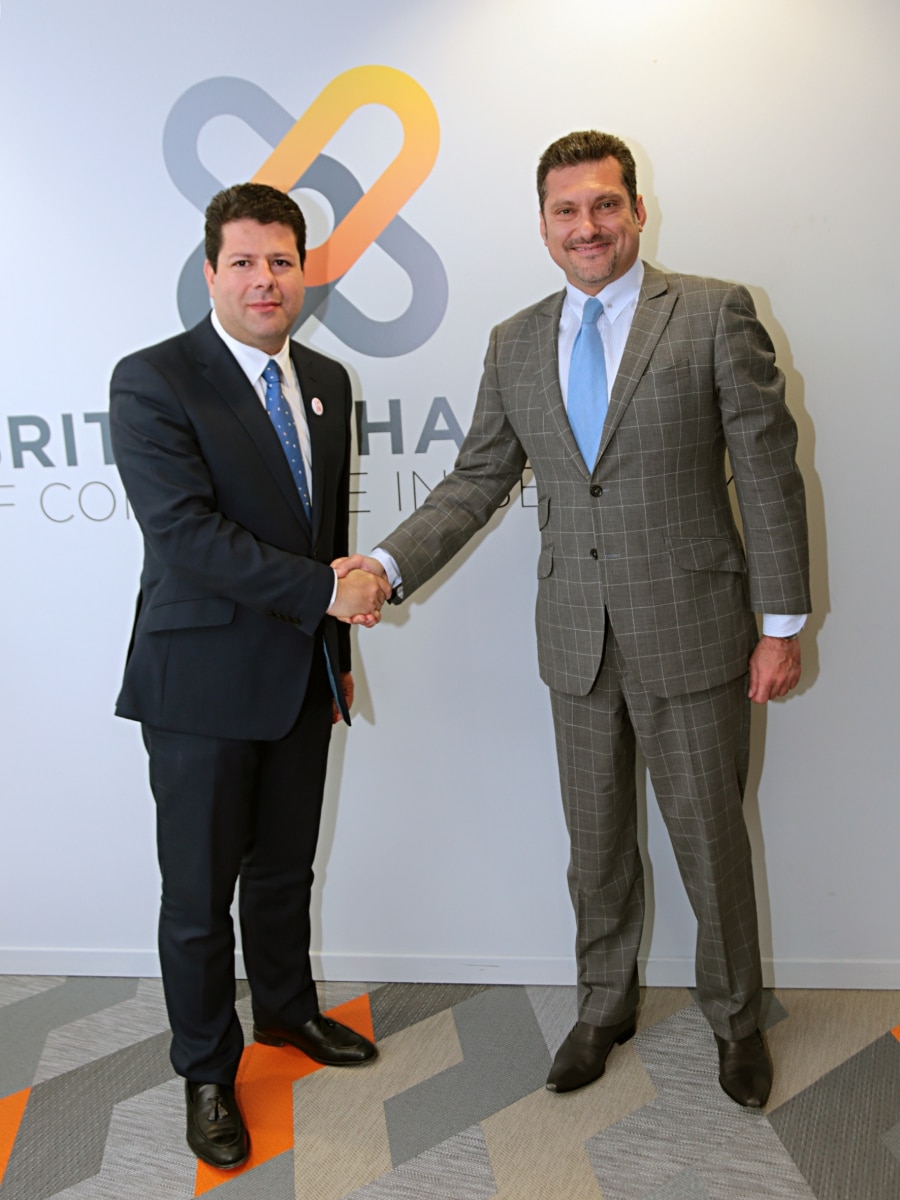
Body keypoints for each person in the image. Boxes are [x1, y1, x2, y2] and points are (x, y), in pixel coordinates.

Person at [342, 131, 809, 1109]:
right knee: (594, 846)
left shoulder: (714, 313)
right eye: (567, 210)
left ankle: (735, 1018)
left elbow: (768, 474)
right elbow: (476, 478)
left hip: (693, 633)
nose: (586, 226)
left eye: (604, 205)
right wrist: (385, 563)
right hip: (575, 639)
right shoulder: (515, 341)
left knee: (710, 842)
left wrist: (781, 625)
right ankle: (603, 1005)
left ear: (637, 210)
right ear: (545, 224)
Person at [110, 183, 389, 1169]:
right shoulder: (153, 379)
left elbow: (323, 531)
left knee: (283, 873)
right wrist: (326, 591)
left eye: (280, 261)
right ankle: (205, 1070)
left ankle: (285, 1012)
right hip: (198, 684)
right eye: (243, 262)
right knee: (197, 898)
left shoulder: (328, 381)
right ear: (210, 272)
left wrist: (336, 654)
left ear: (302, 271)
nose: (264, 279)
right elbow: (186, 535)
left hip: (301, 677)